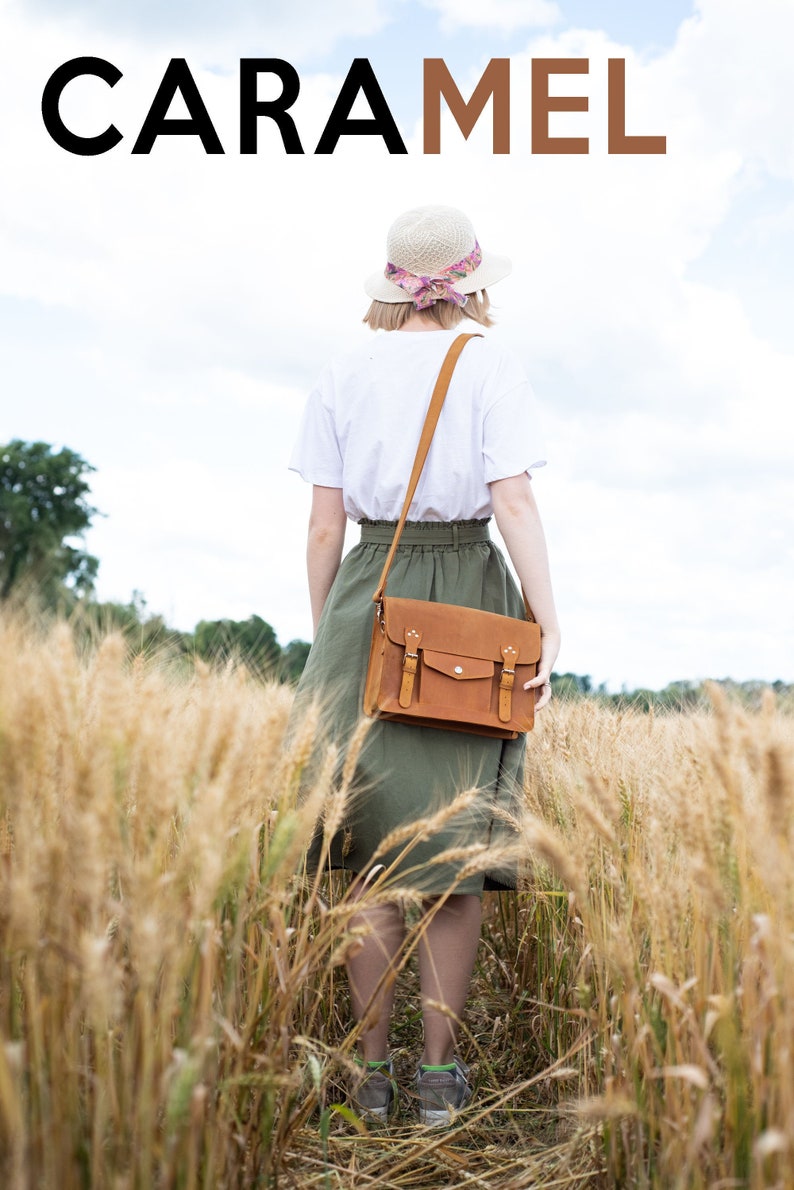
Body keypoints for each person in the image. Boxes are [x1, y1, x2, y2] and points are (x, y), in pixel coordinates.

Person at [288, 204, 560, 1126]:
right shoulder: (489, 361)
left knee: (363, 852)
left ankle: (371, 1077)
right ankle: (439, 1082)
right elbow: (512, 501)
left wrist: (334, 633)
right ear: (473, 280)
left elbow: (325, 525)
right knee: (455, 857)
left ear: (393, 284)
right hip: (469, 600)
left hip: (367, 591)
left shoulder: (342, 367)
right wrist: (549, 623)